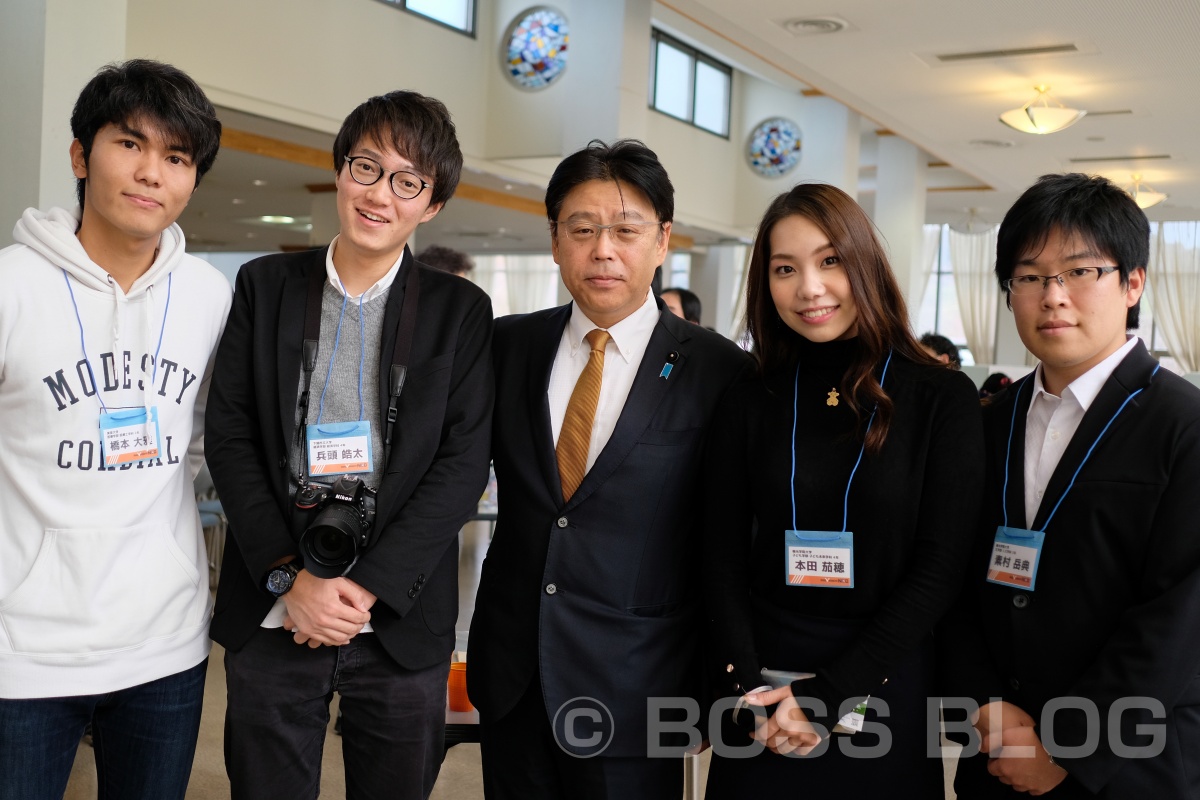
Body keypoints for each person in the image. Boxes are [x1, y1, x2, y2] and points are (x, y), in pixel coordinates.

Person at [204, 90, 493, 800]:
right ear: (339, 171)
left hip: (397, 616)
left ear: (430, 204)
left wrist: (360, 590)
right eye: (366, 167)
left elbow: (460, 466)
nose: (379, 194)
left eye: (407, 181)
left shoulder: (459, 312)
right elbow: (231, 434)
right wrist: (290, 577)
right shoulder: (265, 285)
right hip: (278, 611)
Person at [467, 139, 752, 800]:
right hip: (513, 673)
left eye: (626, 230)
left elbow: (728, 541)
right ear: (556, 239)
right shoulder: (506, 346)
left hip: (639, 683)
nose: (604, 249)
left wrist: (719, 679)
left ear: (662, 241)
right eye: (583, 229)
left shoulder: (720, 372)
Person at [701, 183, 984, 796]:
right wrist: (747, 687)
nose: (809, 287)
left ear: (865, 264)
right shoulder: (751, 395)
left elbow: (942, 567)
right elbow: (718, 552)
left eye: (830, 261)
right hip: (763, 685)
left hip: (883, 672)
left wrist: (829, 695)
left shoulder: (938, 396)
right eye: (785, 268)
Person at [0, 60, 229, 800]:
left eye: (176, 156)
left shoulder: (207, 297)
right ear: (79, 155)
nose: (151, 172)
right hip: (21, 650)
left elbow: (208, 440)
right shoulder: (11, 287)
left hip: (164, 646)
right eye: (130, 144)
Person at [940, 173, 1200, 798]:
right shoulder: (985, 423)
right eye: (1029, 277)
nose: (1053, 296)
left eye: (1081, 272)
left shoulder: (1183, 425)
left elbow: (1181, 616)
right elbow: (948, 577)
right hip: (996, 755)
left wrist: (1064, 747)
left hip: (1130, 762)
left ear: (1133, 282)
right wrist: (985, 707)